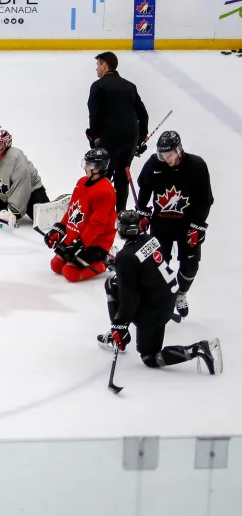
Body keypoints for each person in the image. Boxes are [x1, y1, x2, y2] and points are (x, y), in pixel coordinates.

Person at [98, 210, 221, 374]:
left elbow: (130, 299)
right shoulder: (150, 239)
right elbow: (144, 267)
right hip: (166, 298)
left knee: (150, 357)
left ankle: (199, 349)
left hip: (154, 311)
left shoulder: (125, 257)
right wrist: (122, 268)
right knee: (112, 283)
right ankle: (120, 333)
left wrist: (120, 325)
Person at [136, 131, 213, 319]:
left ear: (179, 150)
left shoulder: (196, 166)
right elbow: (144, 189)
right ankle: (162, 296)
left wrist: (199, 226)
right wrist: (143, 213)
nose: (166, 159)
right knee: (158, 264)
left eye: (169, 154)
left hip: (187, 226)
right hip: (161, 224)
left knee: (190, 265)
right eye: (162, 155)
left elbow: (205, 199)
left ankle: (180, 294)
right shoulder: (154, 164)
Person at [87, 51, 149, 212]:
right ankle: (120, 212)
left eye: (97, 65)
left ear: (104, 65)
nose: (96, 69)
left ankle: (103, 212)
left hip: (109, 138)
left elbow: (94, 113)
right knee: (122, 176)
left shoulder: (98, 86)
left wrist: (92, 135)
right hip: (130, 138)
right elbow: (143, 114)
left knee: (103, 176)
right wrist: (142, 137)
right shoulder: (130, 86)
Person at [45, 149, 116, 282]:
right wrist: (59, 228)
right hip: (78, 235)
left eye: (88, 164)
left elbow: (97, 225)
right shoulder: (82, 182)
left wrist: (79, 244)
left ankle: (106, 260)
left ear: (97, 168)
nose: (85, 167)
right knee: (56, 266)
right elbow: (72, 210)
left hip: (96, 240)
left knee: (70, 272)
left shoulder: (106, 191)